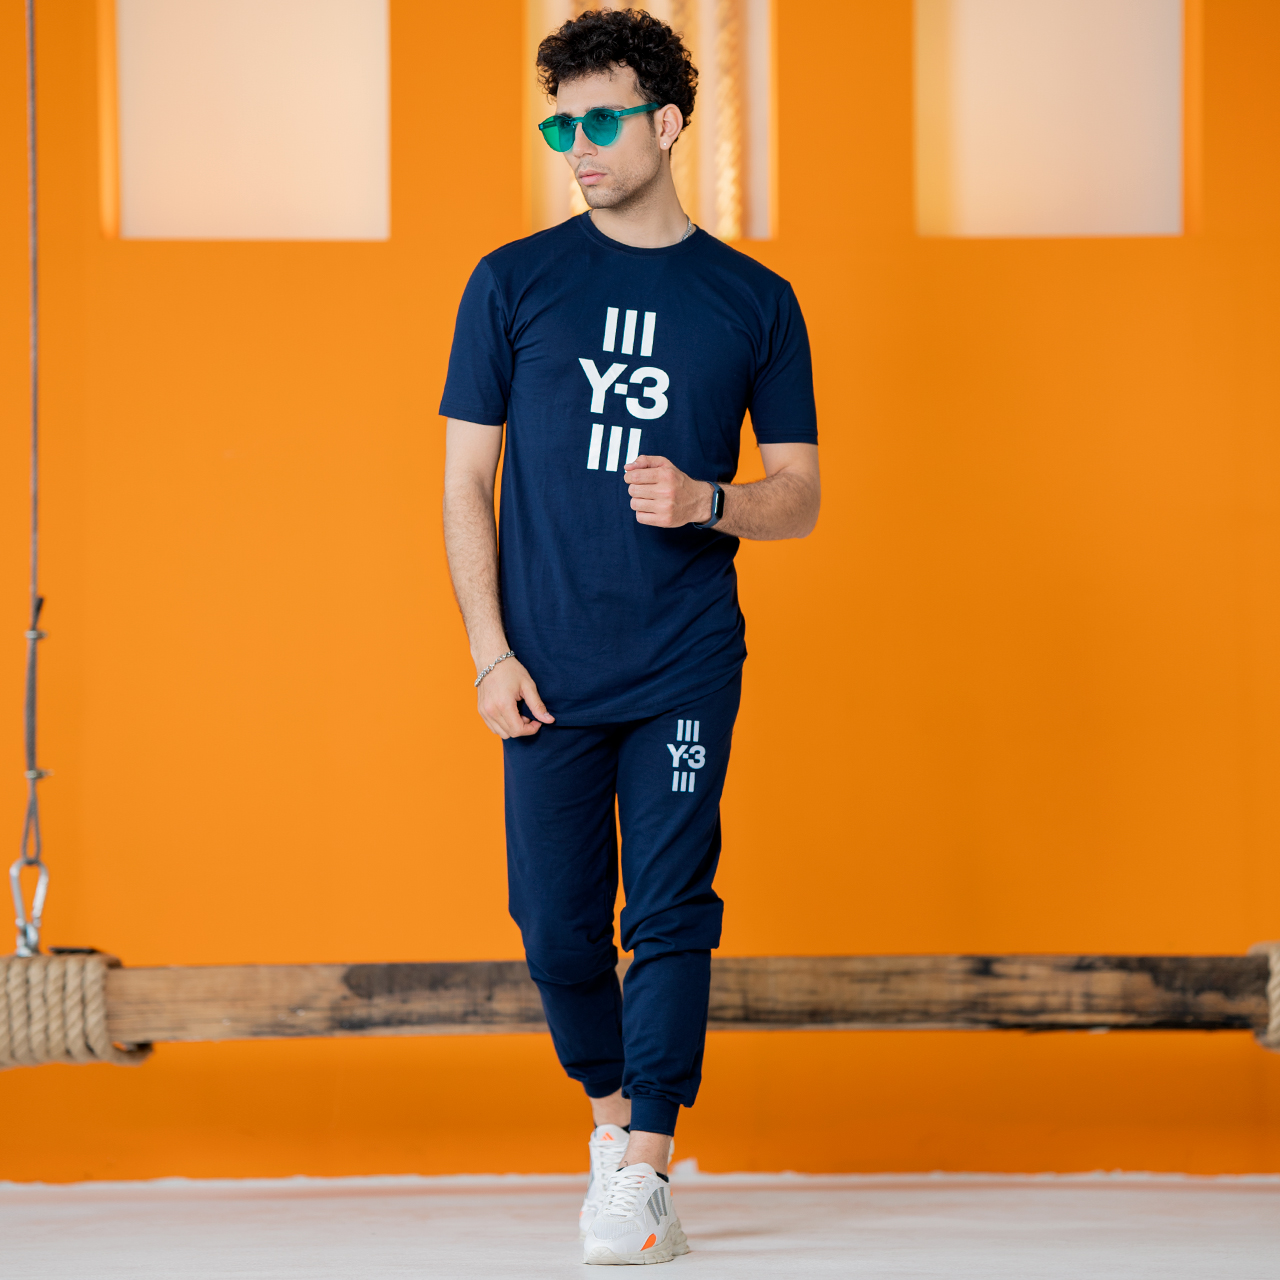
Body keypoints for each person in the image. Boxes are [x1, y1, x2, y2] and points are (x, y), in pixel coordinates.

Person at [440, 6, 819, 1265]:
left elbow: (800, 495)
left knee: (668, 905)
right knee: (553, 925)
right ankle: (612, 1128)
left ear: (665, 123)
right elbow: (463, 484)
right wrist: (488, 651)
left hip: (682, 664)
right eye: (559, 127)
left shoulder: (752, 300)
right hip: (543, 666)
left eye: (598, 121)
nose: (577, 147)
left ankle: (646, 1163)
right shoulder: (511, 281)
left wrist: (710, 501)